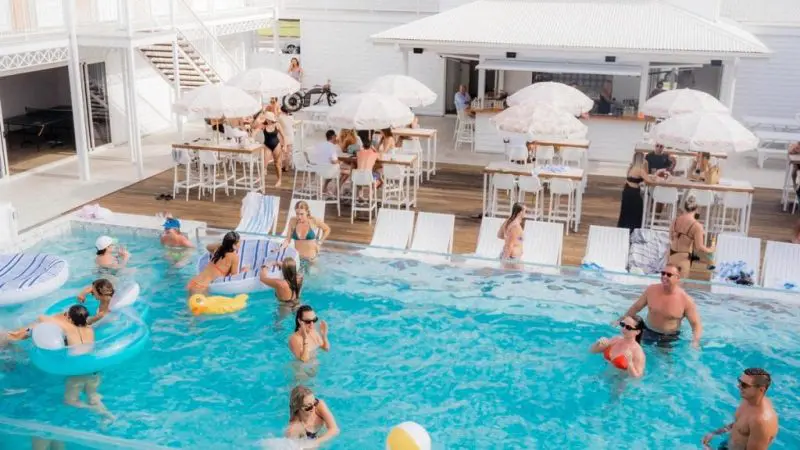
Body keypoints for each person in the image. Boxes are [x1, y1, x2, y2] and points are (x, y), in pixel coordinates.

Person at [618, 264, 703, 348]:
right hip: (648, 330)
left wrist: (695, 341)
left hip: (668, 336)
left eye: (669, 274)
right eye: (663, 273)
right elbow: (636, 307)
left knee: (663, 360)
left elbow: (696, 324)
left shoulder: (686, 300)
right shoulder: (651, 290)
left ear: (677, 278)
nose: (664, 276)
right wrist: (621, 320)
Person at [702, 368, 779, 450]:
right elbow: (740, 424)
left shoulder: (761, 422)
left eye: (744, 385)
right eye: (740, 381)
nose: (739, 386)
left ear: (761, 390)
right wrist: (715, 433)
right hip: (729, 445)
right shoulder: (748, 398)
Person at [668, 196, 715, 277]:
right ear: (697, 209)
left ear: (684, 207)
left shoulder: (675, 220)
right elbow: (699, 247)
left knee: (669, 285)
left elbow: (671, 238)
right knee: (680, 286)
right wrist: (711, 249)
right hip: (683, 259)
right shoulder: (697, 226)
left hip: (671, 256)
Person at [617, 152, 655, 233]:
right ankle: (633, 229)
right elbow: (649, 180)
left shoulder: (631, 167)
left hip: (627, 191)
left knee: (626, 212)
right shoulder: (640, 170)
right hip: (633, 194)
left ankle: (624, 228)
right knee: (636, 211)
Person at [253, 111, 285, 187]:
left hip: (276, 145)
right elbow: (255, 131)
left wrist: (285, 146)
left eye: (267, 118)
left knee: (277, 164)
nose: (266, 120)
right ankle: (261, 178)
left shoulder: (277, 125)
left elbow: (284, 136)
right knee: (264, 164)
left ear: (270, 119)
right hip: (267, 145)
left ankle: (279, 180)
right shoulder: (263, 125)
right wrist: (252, 137)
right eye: (266, 118)